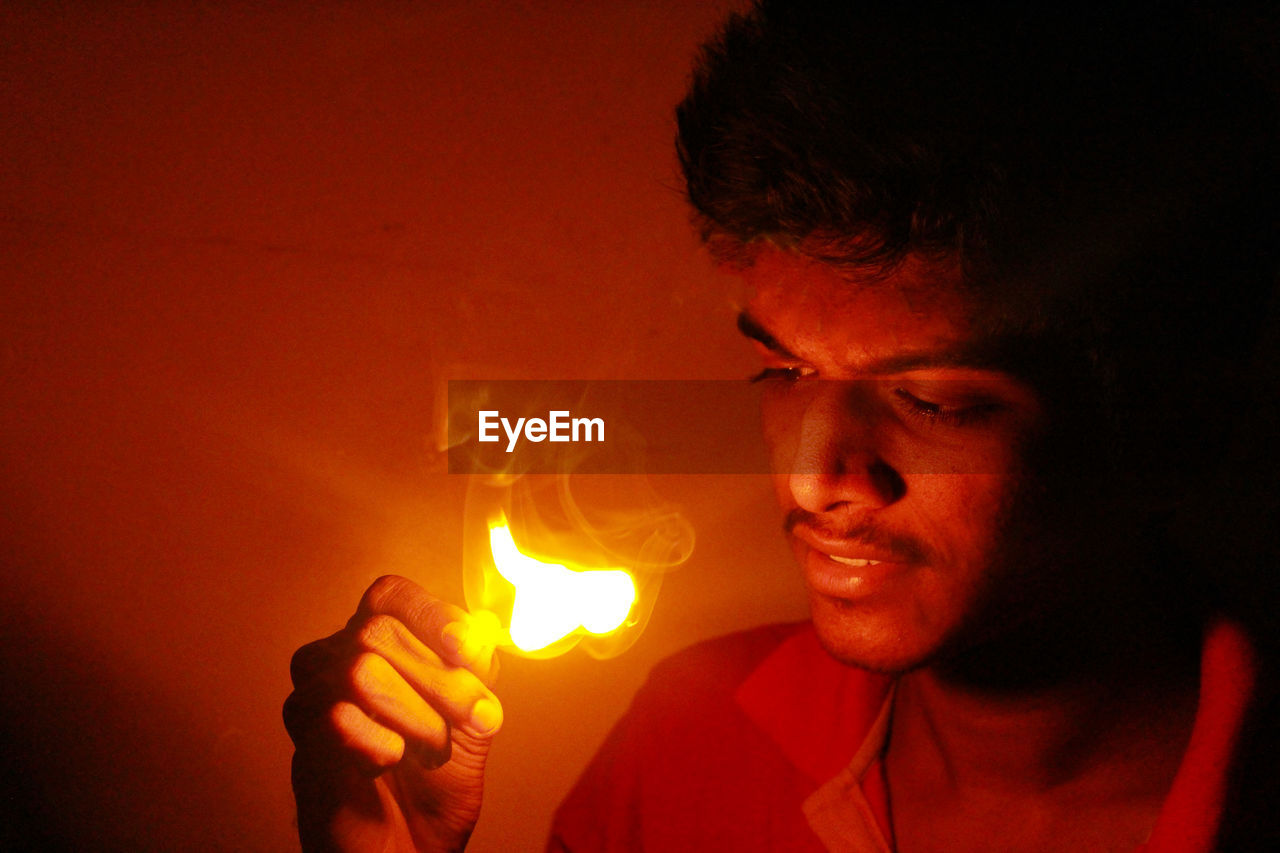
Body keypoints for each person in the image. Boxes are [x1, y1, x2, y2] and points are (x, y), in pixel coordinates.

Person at [283, 2, 1280, 850]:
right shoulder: (686, 738)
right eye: (782, 369)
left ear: (1169, 422)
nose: (812, 478)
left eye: (933, 401)